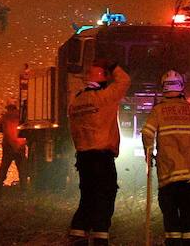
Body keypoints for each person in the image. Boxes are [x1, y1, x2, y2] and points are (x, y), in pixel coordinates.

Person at [67, 59, 131, 243]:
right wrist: (113, 66)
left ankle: (78, 234)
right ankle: (100, 237)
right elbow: (124, 81)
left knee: (87, 197)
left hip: (83, 156)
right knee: (105, 196)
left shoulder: (76, 101)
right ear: (103, 77)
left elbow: (74, 130)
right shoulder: (105, 97)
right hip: (102, 157)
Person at [141, 70, 190, 244]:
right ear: (181, 88)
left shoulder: (159, 110)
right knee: (188, 223)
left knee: (171, 222)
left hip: (169, 175)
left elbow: (147, 133)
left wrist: (149, 154)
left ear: (163, 88)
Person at [0, 101, 28, 188]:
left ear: (8, 107)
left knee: (4, 167)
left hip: (8, 146)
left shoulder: (5, 116)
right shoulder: (21, 116)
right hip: (20, 145)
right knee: (22, 168)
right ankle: (24, 187)